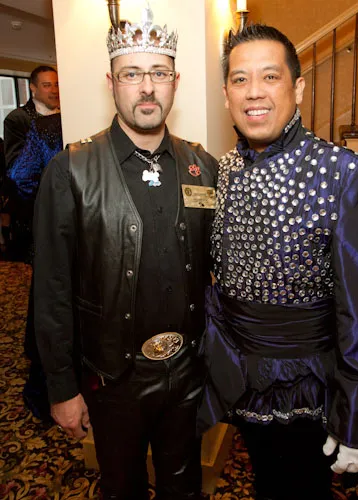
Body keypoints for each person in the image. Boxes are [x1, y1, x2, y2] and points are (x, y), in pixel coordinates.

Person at [197, 24, 358, 500]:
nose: (254, 92)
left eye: (270, 76)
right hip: (239, 375)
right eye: (240, 79)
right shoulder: (222, 170)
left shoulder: (346, 175)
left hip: (311, 385)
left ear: (298, 88)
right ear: (226, 94)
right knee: (268, 482)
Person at [33, 5, 217, 500]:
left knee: (184, 486)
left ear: (176, 82)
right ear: (111, 83)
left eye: (159, 73)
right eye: (132, 74)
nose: (147, 87)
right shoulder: (71, 171)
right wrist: (62, 387)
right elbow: (51, 290)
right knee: (121, 488)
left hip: (188, 373)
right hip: (112, 378)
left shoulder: (202, 165)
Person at [3, 66, 62, 423]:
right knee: (44, 290)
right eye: (47, 85)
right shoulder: (19, 119)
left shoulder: (69, 115)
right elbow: (16, 173)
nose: (54, 90)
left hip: (60, 222)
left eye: (57, 84)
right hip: (37, 217)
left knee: (48, 293)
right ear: (33, 88)